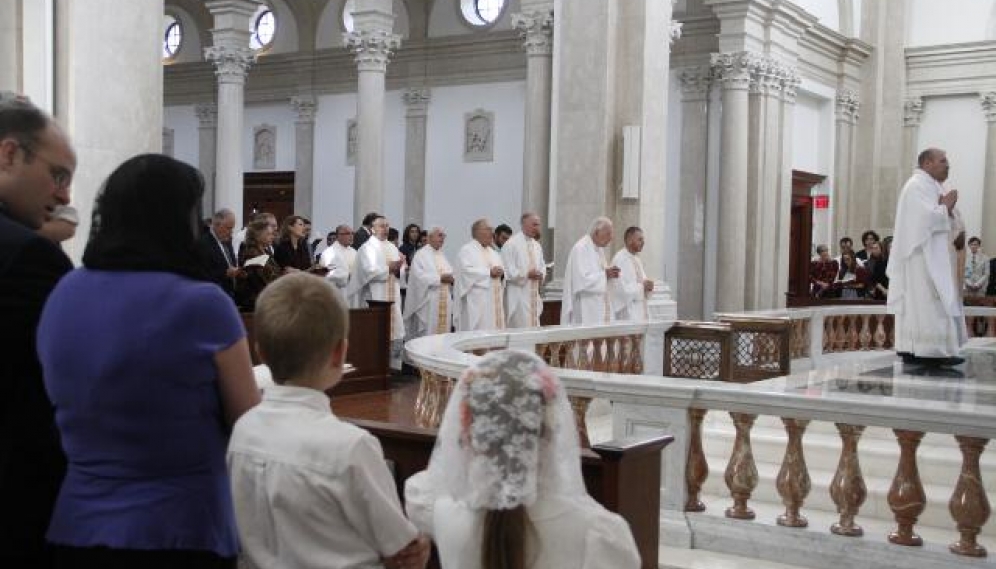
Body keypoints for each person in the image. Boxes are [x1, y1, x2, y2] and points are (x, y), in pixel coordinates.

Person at [37, 154, 260, 567]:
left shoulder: (64, 293)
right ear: (181, 221)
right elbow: (246, 419)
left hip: (78, 524)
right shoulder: (203, 304)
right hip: (180, 527)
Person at [228, 273, 429, 569]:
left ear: (261, 353)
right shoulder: (351, 447)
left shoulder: (242, 430)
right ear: (340, 353)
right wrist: (419, 546)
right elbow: (400, 545)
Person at [403, 350, 641, 569]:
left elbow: (432, 480)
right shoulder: (598, 534)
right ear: (553, 425)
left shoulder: (435, 505)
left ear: (465, 422)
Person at [0, 97, 75, 568]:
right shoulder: (29, 258)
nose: (66, 195)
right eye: (58, 174)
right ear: (9, 155)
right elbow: (62, 389)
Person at [887, 147, 967, 366]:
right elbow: (923, 221)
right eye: (943, 160)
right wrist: (945, 208)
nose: (947, 164)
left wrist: (950, 216)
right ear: (927, 163)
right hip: (921, 259)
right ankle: (929, 350)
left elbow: (947, 221)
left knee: (932, 302)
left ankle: (917, 348)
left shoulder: (933, 186)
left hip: (935, 256)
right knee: (926, 302)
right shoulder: (916, 186)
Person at [349, 216, 406, 367]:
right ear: (373, 229)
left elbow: (401, 271)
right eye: (381, 226)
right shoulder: (367, 248)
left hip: (393, 296)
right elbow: (368, 272)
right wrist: (390, 268)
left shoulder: (393, 247)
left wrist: (401, 267)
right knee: (375, 333)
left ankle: (391, 368)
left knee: (394, 331)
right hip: (374, 297)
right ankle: (373, 366)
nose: (385, 229)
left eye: (387, 226)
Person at [561, 216, 619, 325]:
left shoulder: (598, 249)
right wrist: (605, 275)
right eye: (608, 234)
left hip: (598, 306)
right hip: (586, 306)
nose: (611, 238)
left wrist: (609, 274)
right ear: (597, 232)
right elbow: (581, 280)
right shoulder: (581, 248)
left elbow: (599, 274)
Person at [454, 218, 505, 332]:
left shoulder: (494, 253)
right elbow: (465, 272)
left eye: (492, 229)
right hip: (477, 303)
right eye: (488, 229)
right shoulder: (467, 250)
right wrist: (489, 272)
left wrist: (501, 273)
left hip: (493, 302)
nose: (492, 232)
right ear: (477, 232)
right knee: (478, 336)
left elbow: (501, 271)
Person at [404, 226, 454, 339]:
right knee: (429, 336)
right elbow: (418, 278)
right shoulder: (421, 255)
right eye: (440, 235)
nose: (443, 238)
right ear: (430, 237)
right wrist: (439, 279)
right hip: (429, 302)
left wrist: (453, 278)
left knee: (443, 336)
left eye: (444, 236)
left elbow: (450, 272)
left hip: (444, 300)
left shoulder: (442, 255)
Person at [501, 213, 546, 328]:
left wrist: (541, 274)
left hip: (533, 295)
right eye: (534, 225)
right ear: (524, 225)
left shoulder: (537, 246)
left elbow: (542, 265)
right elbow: (508, 270)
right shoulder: (511, 244)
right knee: (521, 329)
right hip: (519, 296)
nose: (537, 228)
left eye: (538, 225)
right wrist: (526, 274)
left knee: (533, 329)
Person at [237, 218, 281, 310]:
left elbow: (275, 272)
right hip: (255, 300)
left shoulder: (266, 250)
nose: (272, 237)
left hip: (268, 295)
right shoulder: (251, 253)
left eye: (272, 234)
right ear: (258, 235)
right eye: (268, 234)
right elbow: (259, 279)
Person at [611, 226, 654, 321]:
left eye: (643, 240)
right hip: (628, 312)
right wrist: (642, 286)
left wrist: (648, 287)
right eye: (640, 239)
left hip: (640, 310)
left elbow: (642, 282)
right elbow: (620, 289)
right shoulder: (620, 259)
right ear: (630, 240)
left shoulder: (636, 259)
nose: (643, 243)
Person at [197, 208, 241, 300]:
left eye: (232, 228)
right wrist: (225, 274)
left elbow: (230, 263)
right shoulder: (203, 244)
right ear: (216, 225)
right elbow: (202, 274)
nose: (231, 232)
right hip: (214, 296)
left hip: (231, 294)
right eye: (228, 228)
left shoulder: (227, 240)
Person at [320, 224, 357, 301]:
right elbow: (328, 273)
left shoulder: (354, 252)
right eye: (347, 233)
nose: (351, 236)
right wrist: (348, 275)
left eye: (352, 233)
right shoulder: (329, 252)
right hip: (337, 293)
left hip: (353, 293)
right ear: (338, 236)